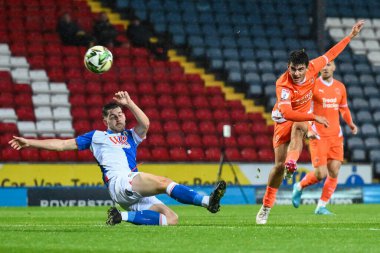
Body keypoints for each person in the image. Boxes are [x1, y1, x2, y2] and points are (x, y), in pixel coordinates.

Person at [9, 91, 226, 226]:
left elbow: (146, 124)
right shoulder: (96, 137)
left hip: (129, 189)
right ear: (105, 121)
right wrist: (30, 142)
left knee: (171, 219)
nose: (118, 117)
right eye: (112, 116)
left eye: (120, 114)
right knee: (163, 182)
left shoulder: (130, 136)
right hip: (120, 182)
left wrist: (129, 103)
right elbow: (62, 145)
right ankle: (208, 202)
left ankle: (119, 217)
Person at [256, 20, 364, 225]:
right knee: (277, 167)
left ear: (307, 67)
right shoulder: (283, 83)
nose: (296, 73)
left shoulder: (314, 67)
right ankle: (266, 206)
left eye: (300, 69)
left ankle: (292, 161)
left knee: (299, 130)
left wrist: (350, 36)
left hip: (301, 119)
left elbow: (332, 54)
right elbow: (287, 111)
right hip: (284, 119)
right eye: (293, 69)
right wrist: (314, 117)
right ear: (288, 67)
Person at [291, 61, 358, 215]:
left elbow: (344, 108)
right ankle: (299, 186)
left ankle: (321, 206)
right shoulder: (313, 85)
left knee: (334, 170)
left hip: (336, 136)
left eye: (328, 65)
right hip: (318, 135)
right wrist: (308, 129)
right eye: (323, 66)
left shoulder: (340, 87)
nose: (325, 68)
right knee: (321, 174)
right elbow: (305, 110)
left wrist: (351, 123)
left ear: (334, 68)